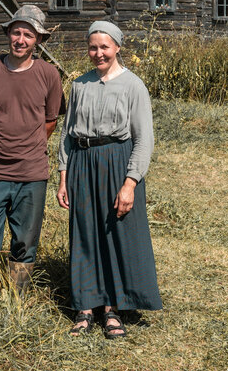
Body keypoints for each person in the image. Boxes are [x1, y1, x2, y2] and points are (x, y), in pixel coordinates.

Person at [57, 20, 162, 338]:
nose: (98, 53)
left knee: (115, 233)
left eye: (104, 46)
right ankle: (85, 306)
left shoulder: (133, 85)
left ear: (117, 47)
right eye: (93, 47)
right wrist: (63, 177)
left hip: (118, 162)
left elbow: (144, 140)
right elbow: (65, 135)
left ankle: (112, 308)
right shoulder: (79, 86)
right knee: (85, 233)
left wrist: (130, 183)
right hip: (82, 163)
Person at [0, 4, 64, 304]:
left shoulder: (49, 74)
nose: (20, 39)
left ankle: (16, 300)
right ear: (8, 34)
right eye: (16, 32)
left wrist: (28, 147)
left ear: (38, 41)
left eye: (28, 35)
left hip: (32, 174)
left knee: (25, 241)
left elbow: (51, 120)